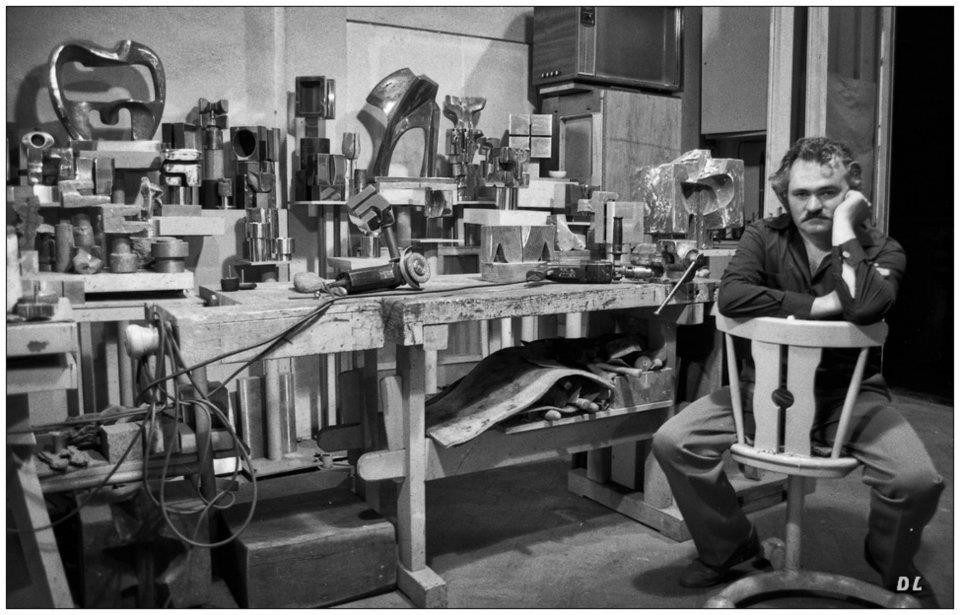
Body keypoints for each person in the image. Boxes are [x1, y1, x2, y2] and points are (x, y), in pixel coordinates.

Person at [651, 137, 944, 606]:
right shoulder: (763, 237)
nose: (813, 205)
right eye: (800, 194)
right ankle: (728, 544)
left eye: (828, 193)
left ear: (852, 190)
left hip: (846, 398)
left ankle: (892, 562)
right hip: (763, 391)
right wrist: (819, 305)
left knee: (916, 482)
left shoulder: (881, 248)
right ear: (784, 195)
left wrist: (845, 230)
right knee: (674, 441)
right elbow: (732, 296)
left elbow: (867, 306)